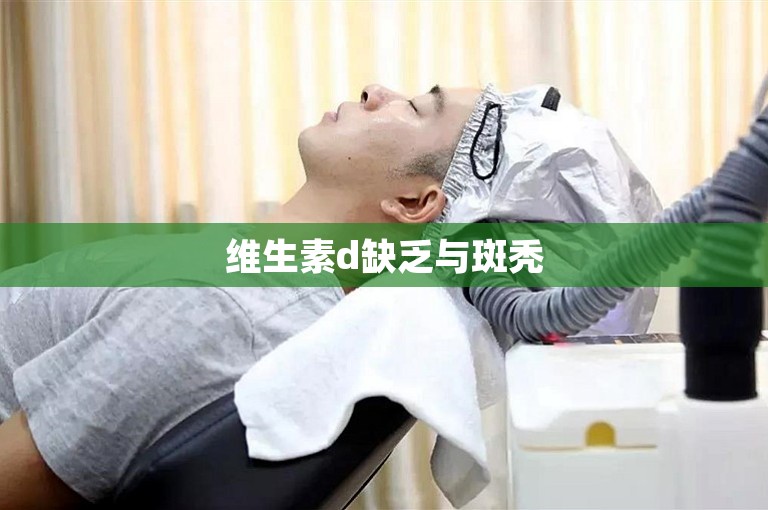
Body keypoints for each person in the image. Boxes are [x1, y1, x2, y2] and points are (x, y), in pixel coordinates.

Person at [0, 84, 480, 509]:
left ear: (413, 203)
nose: (375, 92)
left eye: (415, 108)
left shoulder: (212, 307)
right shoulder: (260, 279)